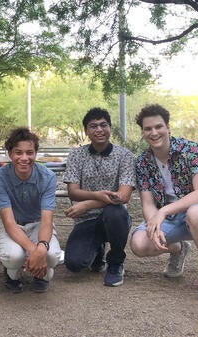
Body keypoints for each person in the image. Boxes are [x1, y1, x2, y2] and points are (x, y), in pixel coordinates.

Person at [130, 104, 198, 303]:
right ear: (143, 133)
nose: (154, 132)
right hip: (172, 218)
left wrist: (164, 211)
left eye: (158, 127)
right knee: (139, 244)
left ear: (168, 127)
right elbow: (148, 203)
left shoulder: (191, 149)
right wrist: (153, 224)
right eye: (148, 129)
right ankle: (178, 249)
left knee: (196, 213)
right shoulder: (142, 162)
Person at [63, 107, 135, 287]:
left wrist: (87, 204)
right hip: (85, 220)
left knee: (115, 212)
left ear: (110, 128)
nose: (99, 130)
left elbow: (123, 196)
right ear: (86, 131)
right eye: (93, 126)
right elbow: (73, 191)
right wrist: (96, 197)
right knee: (74, 264)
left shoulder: (124, 156)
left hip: (114, 217)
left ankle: (116, 261)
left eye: (103, 125)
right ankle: (98, 249)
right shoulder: (76, 155)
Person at [0, 127, 61, 293]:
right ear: (10, 153)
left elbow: (46, 220)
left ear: (35, 153)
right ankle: (12, 274)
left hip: (38, 224)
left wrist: (42, 248)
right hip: (13, 224)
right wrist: (33, 251)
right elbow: (8, 222)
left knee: (51, 256)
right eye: (18, 152)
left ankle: (42, 274)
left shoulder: (48, 177)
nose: (24, 158)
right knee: (14, 256)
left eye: (29, 153)